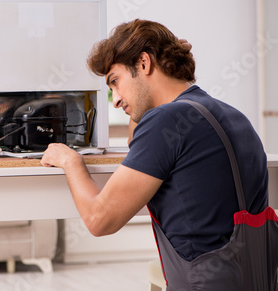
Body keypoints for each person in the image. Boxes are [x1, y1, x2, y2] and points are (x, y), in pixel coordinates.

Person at [41, 19, 270, 289]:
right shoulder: (229, 114)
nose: (114, 99)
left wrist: (71, 161)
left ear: (144, 63)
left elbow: (99, 220)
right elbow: (141, 142)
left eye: (115, 82)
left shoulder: (167, 120)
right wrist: (169, 69)